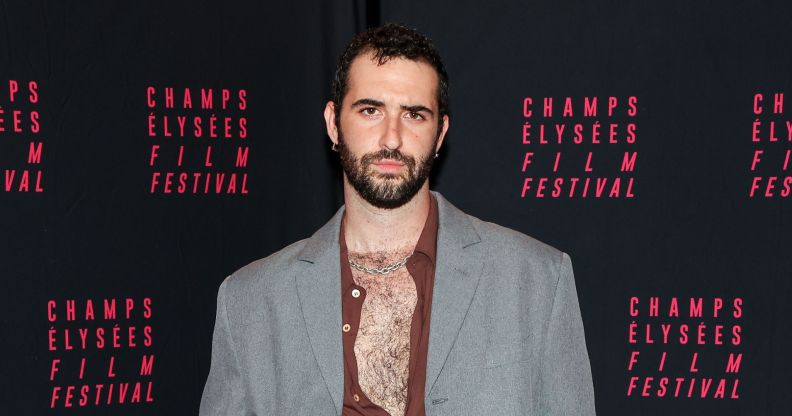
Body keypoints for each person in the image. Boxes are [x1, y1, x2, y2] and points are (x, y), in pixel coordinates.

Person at [200, 23, 595, 416]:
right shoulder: (251, 302)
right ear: (333, 123)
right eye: (370, 111)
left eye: (414, 115)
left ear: (440, 134)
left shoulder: (537, 280)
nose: (392, 138)